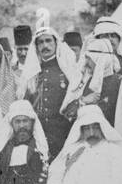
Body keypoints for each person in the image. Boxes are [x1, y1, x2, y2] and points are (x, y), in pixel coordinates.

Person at [20, 26, 80, 154]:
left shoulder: (67, 70)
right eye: (40, 42)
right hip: (38, 134)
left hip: (63, 133)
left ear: (56, 43)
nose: (45, 45)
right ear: (36, 47)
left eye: (48, 41)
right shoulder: (32, 74)